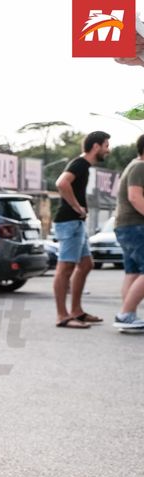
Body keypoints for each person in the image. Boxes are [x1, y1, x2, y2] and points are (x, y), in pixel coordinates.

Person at [52, 131, 110, 329]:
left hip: (76, 223)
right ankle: (62, 316)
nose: (108, 150)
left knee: (86, 265)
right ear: (96, 146)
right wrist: (77, 207)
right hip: (68, 221)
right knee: (65, 269)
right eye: (106, 146)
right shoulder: (79, 163)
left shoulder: (84, 166)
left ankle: (77, 311)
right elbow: (61, 183)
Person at [112, 134, 144, 330]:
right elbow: (135, 197)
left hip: (126, 226)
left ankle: (128, 314)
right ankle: (125, 314)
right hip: (135, 225)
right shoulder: (141, 166)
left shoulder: (134, 164)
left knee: (132, 272)